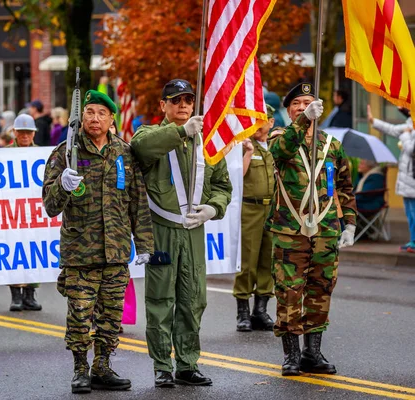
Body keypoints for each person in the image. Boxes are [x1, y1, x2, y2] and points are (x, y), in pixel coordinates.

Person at [43, 90, 154, 393]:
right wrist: (63, 187)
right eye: (90, 112)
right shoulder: (65, 152)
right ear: (81, 116)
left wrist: (144, 245)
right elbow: (50, 206)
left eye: (101, 113)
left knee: (110, 315)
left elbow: (137, 203)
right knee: (80, 314)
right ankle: (80, 368)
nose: (95, 118)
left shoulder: (124, 152)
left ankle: (102, 366)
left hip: (116, 251)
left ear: (111, 119)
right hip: (80, 252)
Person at [131, 79, 233, 388]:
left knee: (192, 299)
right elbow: (141, 149)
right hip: (162, 230)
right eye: (176, 100)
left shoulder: (208, 142)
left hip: (193, 231)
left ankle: (187, 363)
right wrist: (181, 132)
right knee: (161, 299)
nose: (184, 105)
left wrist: (213, 208)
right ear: (163, 106)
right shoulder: (150, 134)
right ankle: (162, 365)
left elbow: (222, 186)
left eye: (188, 100)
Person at [268, 83, 357, 376]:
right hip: (290, 232)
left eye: (308, 102)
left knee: (321, 290)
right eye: (297, 103)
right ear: (288, 109)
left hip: (326, 230)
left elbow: (345, 186)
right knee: (289, 292)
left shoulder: (331, 144)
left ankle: (312, 353)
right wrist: (303, 119)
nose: (303, 106)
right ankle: (291, 355)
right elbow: (281, 151)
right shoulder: (280, 136)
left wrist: (351, 224)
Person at [233, 105, 276, 332]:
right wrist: (248, 152)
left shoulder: (276, 148)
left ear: (271, 122)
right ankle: (243, 311)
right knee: (247, 261)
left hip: (272, 210)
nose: (258, 125)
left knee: (267, 261)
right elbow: (236, 177)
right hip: (249, 209)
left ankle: (261, 310)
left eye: (262, 120)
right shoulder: (244, 145)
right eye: (254, 120)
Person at [5, 114, 43, 312]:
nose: (25, 136)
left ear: (34, 133)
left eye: (29, 132)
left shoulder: (42, 154)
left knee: (34, 253)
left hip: (34, 212)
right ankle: (16, 296)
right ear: (15, 133)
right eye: (22, 132)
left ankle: (30, 295)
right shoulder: (3, 154)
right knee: (14, 252)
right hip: (12, 213)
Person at [368, 105, 415, 252]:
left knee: (413, 212)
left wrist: (406, 136)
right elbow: (392, 129)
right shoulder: (410, 125)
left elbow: (411, 149)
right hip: (407, 179)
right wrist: (373, 121)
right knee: (410, 212)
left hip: (412, 179)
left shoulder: (409, 130)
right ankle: (413, 240)